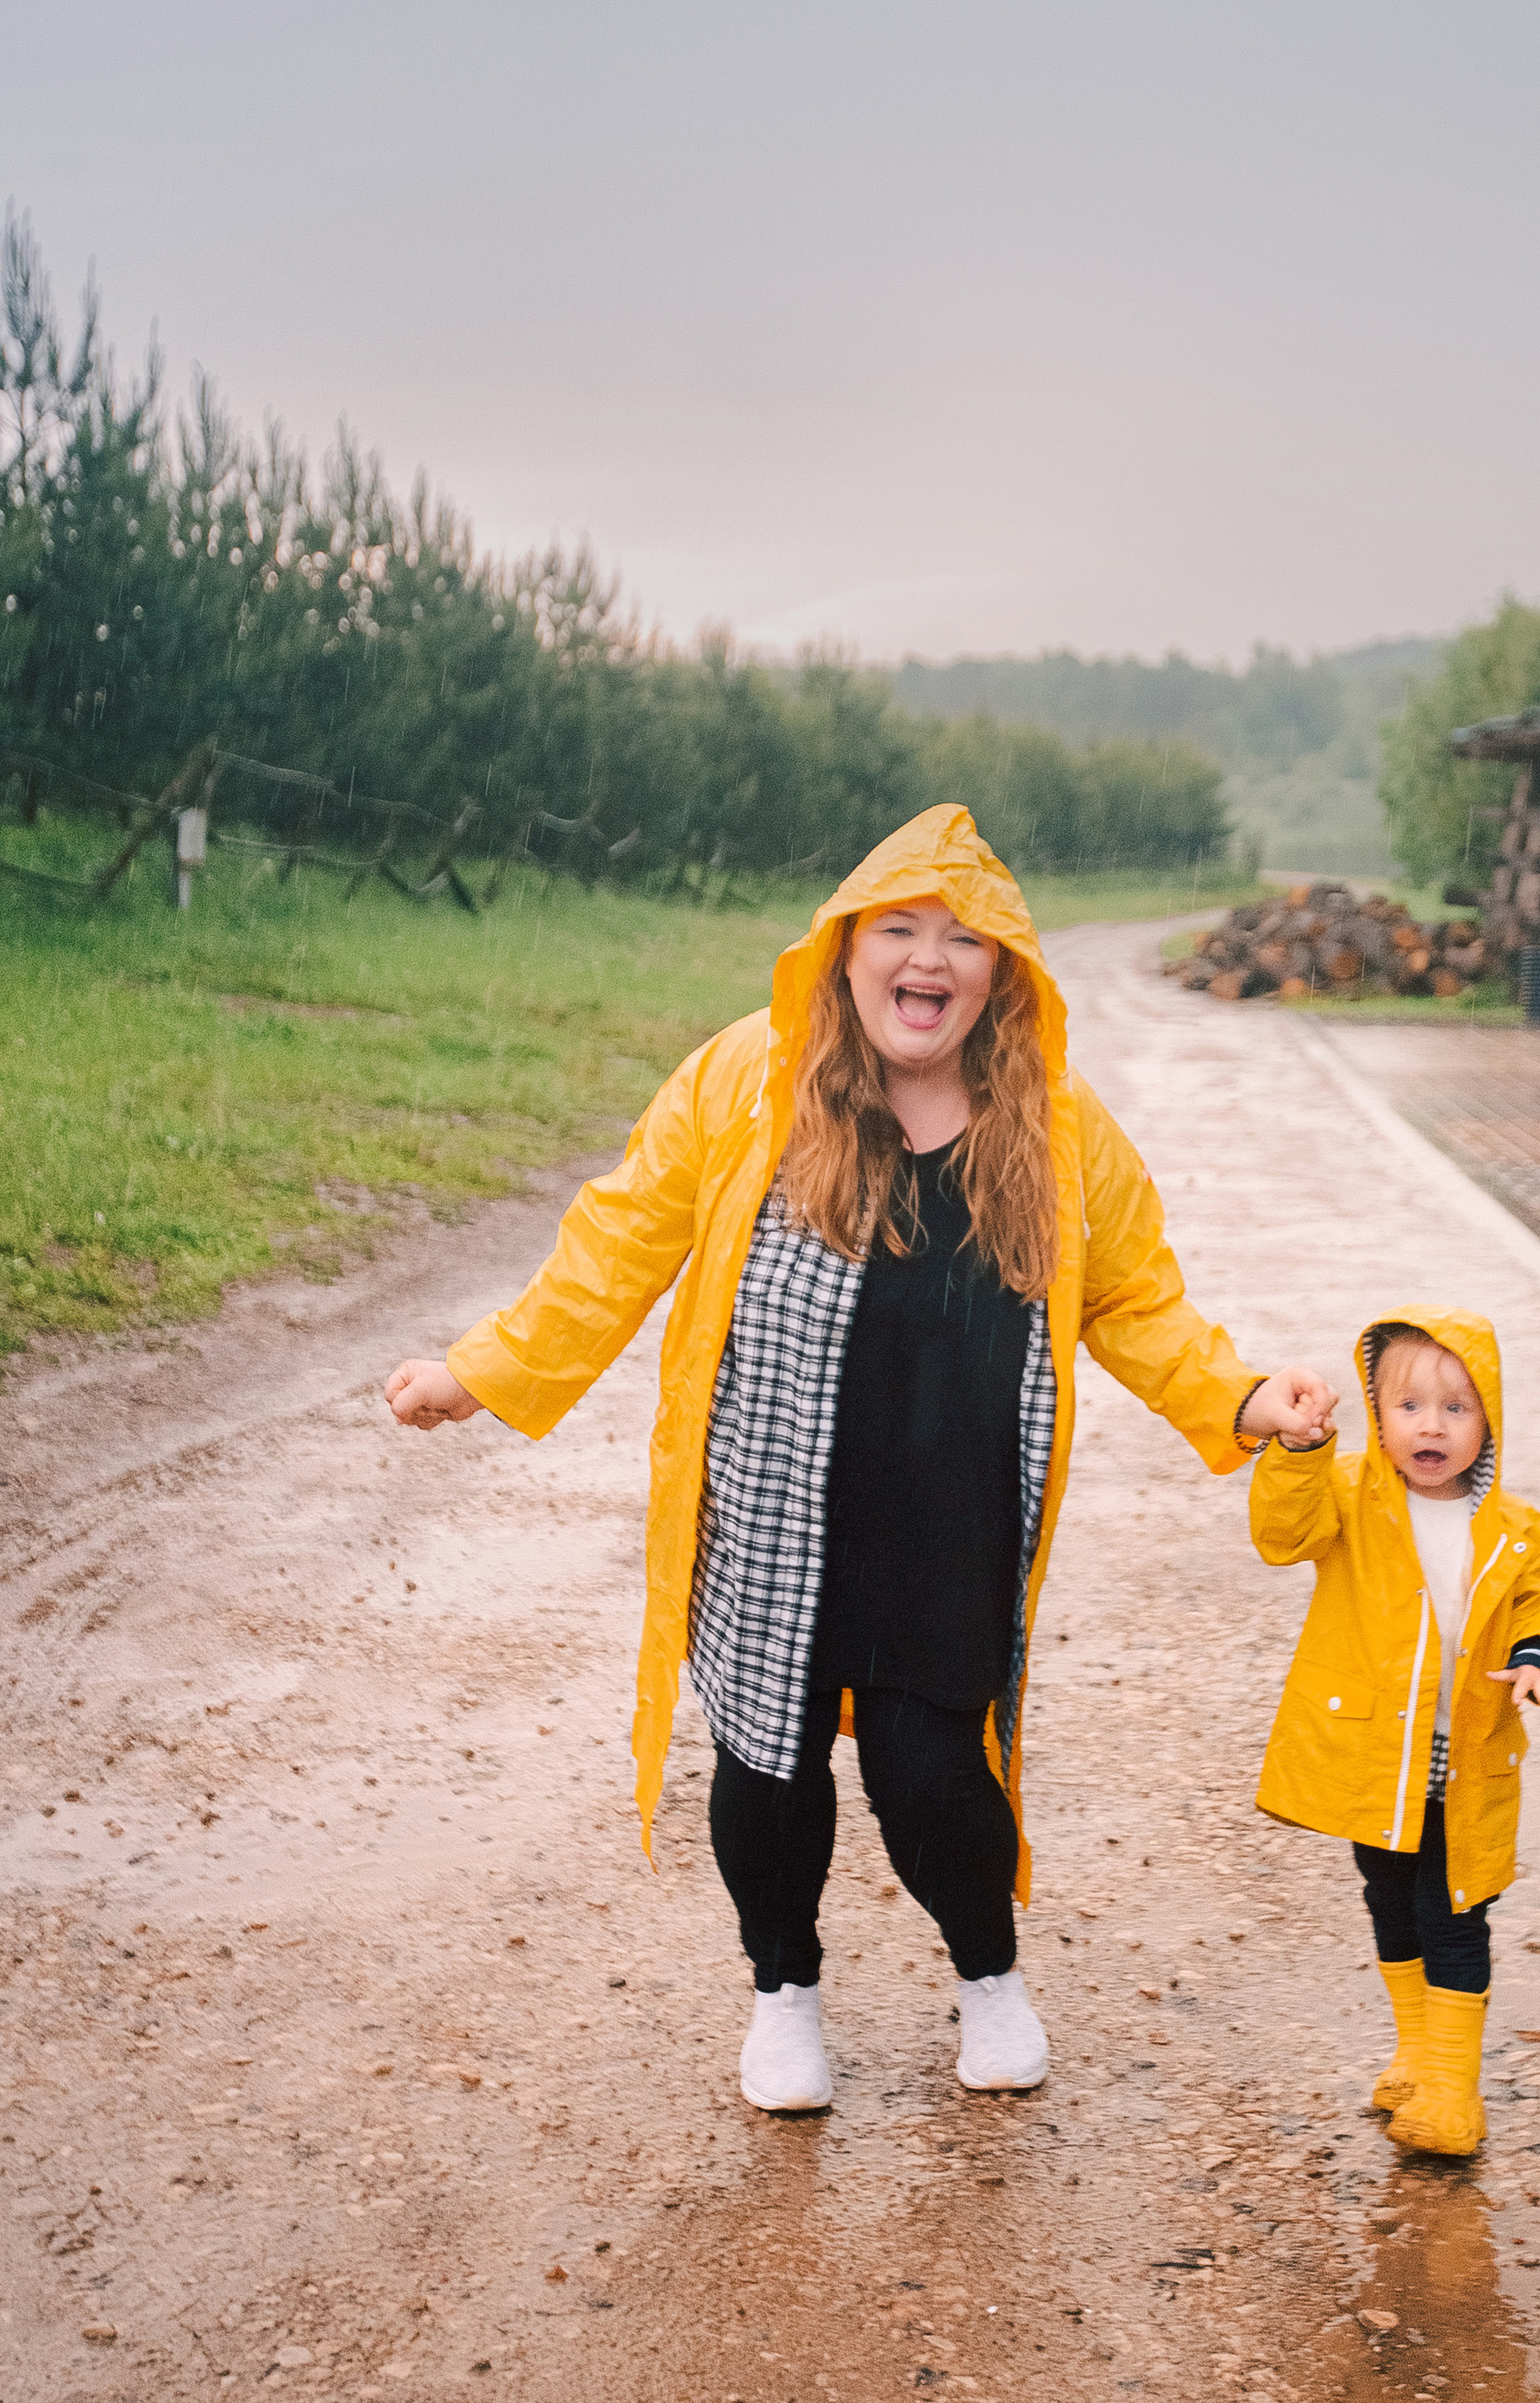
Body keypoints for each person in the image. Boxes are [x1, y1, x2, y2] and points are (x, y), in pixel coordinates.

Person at [386, 806, 1334, 2116]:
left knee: (934, 1780)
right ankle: (784, 1992)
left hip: (947, 1524)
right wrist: (480, 1371)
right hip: (774, 1518)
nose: (928, 960)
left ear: (1002, 972)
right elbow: (618, 1242)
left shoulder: (1055, 1130)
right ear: (845, 948)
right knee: (767, 1769)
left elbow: (1137, 1303)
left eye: (964, 939)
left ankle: (988, 1973)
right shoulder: (743, 1085)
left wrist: (1240, 1398)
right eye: (900, 929)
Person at [1246, 1310, 1540, 2156]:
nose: (1431, 1426)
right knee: (1388, 1896)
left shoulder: (1519, 1529)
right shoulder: (1350, 1495)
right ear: (1374, 1412)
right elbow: (1280, 1538)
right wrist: (1297, 1454)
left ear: (1489, 1422)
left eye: (1456, 1409)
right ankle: (1415, 2052)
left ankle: (1451, 2089)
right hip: (1377, 1754)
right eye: (1409, 1407)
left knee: (1453, 1909)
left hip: (1463, 1757)